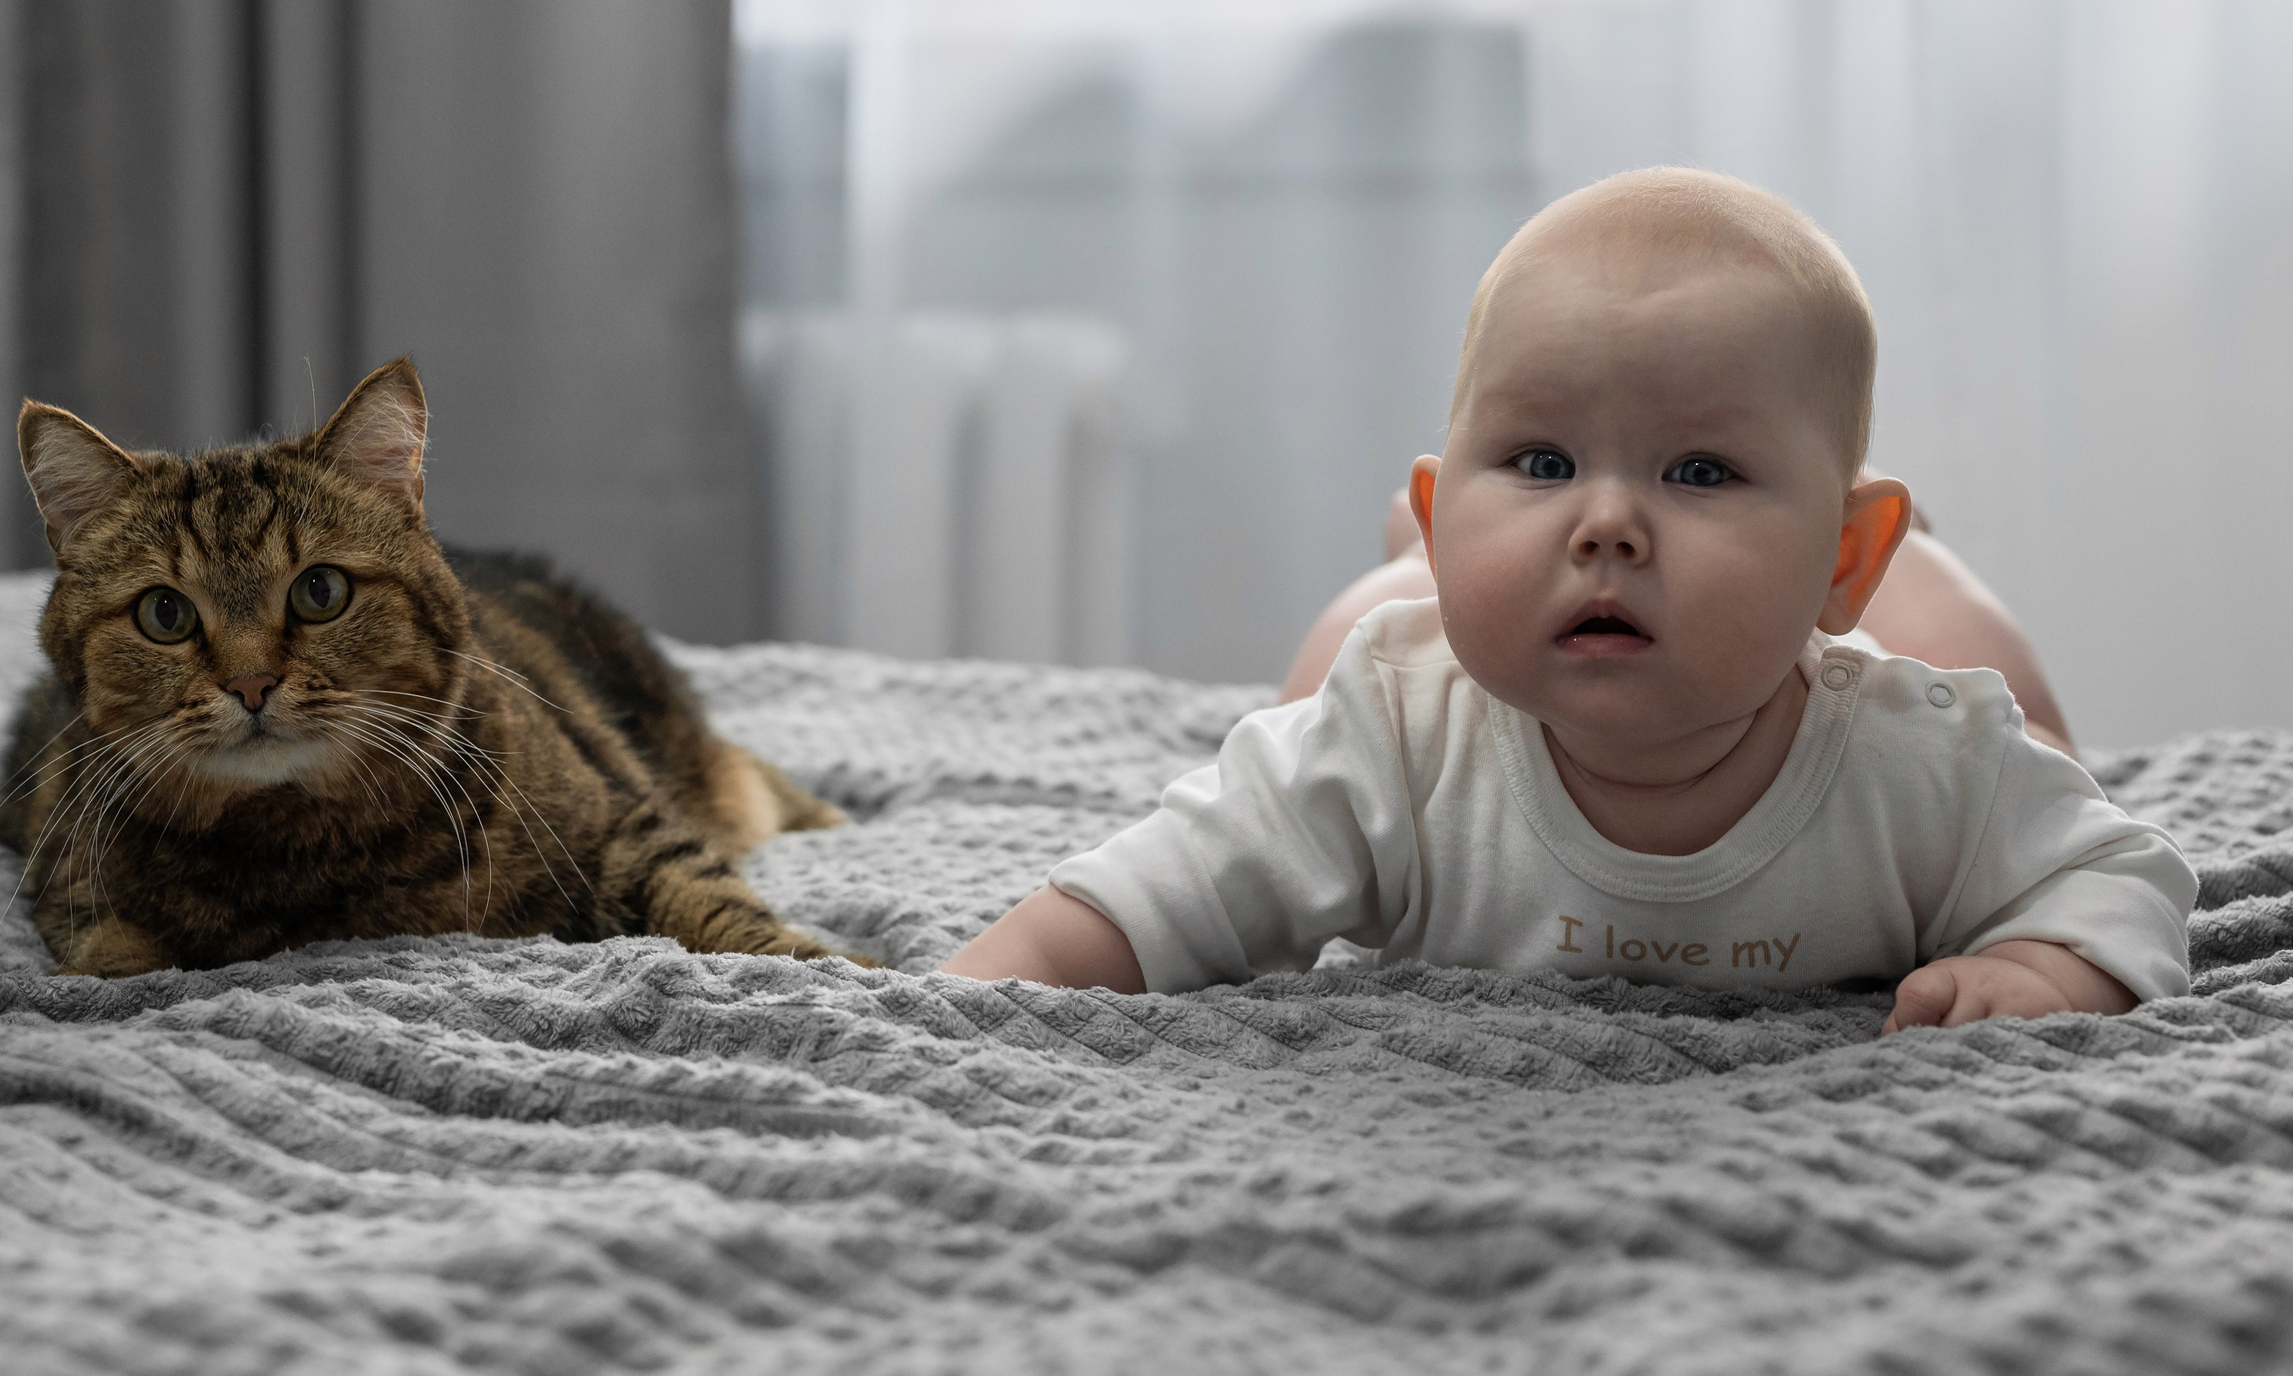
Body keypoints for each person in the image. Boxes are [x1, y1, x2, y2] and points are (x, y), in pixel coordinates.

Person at [938, 168, 2192, 1033]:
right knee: (1338, 652)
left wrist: (2044, 964)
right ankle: (1407, 554)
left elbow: (2121, 874)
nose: (1606, 519)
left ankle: (1904, 551)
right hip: (1427, 628)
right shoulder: (1384, 731)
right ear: (1449, 507)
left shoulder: (1929, 764)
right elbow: (1146, 896)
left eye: (1698, 469)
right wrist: (974, 996)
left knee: (2014, 704)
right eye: (1540, 460)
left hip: (1854, 634)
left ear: (1835, 560)